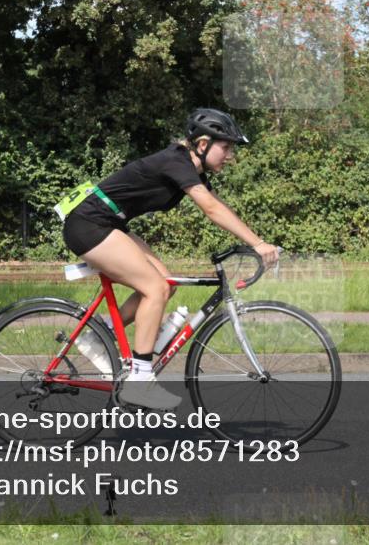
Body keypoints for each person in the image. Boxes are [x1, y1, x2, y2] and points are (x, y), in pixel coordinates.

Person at [62, 108, 279, 409]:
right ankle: (140, 380)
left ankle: (102, 335)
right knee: (156, 288)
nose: (230, 155)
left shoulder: (190, 168)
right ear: (202, 144)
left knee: (166, 282)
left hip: (108, 222)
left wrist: (256, 240)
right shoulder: (176, 161)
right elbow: (211, 210)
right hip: (90, 223)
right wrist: (257, 243)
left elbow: (217, 204)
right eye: (226, 147)